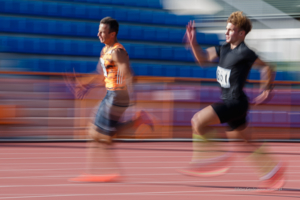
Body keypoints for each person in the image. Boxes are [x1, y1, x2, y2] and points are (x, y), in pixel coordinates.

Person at [179, 11, 285, 190]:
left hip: (235, 103)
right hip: (233, 103)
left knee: (197, 121)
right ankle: (273, 172)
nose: (226, 33)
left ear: (241, 33)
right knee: (247, 142)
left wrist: (267, 88)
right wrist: (193, 43)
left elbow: (267, 67)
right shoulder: (223, 49)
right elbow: (203, 59)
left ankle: (217, 158)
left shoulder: (246, 52)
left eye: (230, 30)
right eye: (226, 29)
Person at [69, 17, 153, 182]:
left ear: (112, 34)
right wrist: (85, 85)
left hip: (118, 96)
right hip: (111, 95)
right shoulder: (105, 51)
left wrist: (131, 101)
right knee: (97, 134)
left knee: (101, 135)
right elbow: (101, 75)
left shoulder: (117, 51)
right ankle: (137, 121)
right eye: (99, 31)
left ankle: (104, 172)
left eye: (102, 32)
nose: (98, 34)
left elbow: (128, 74)